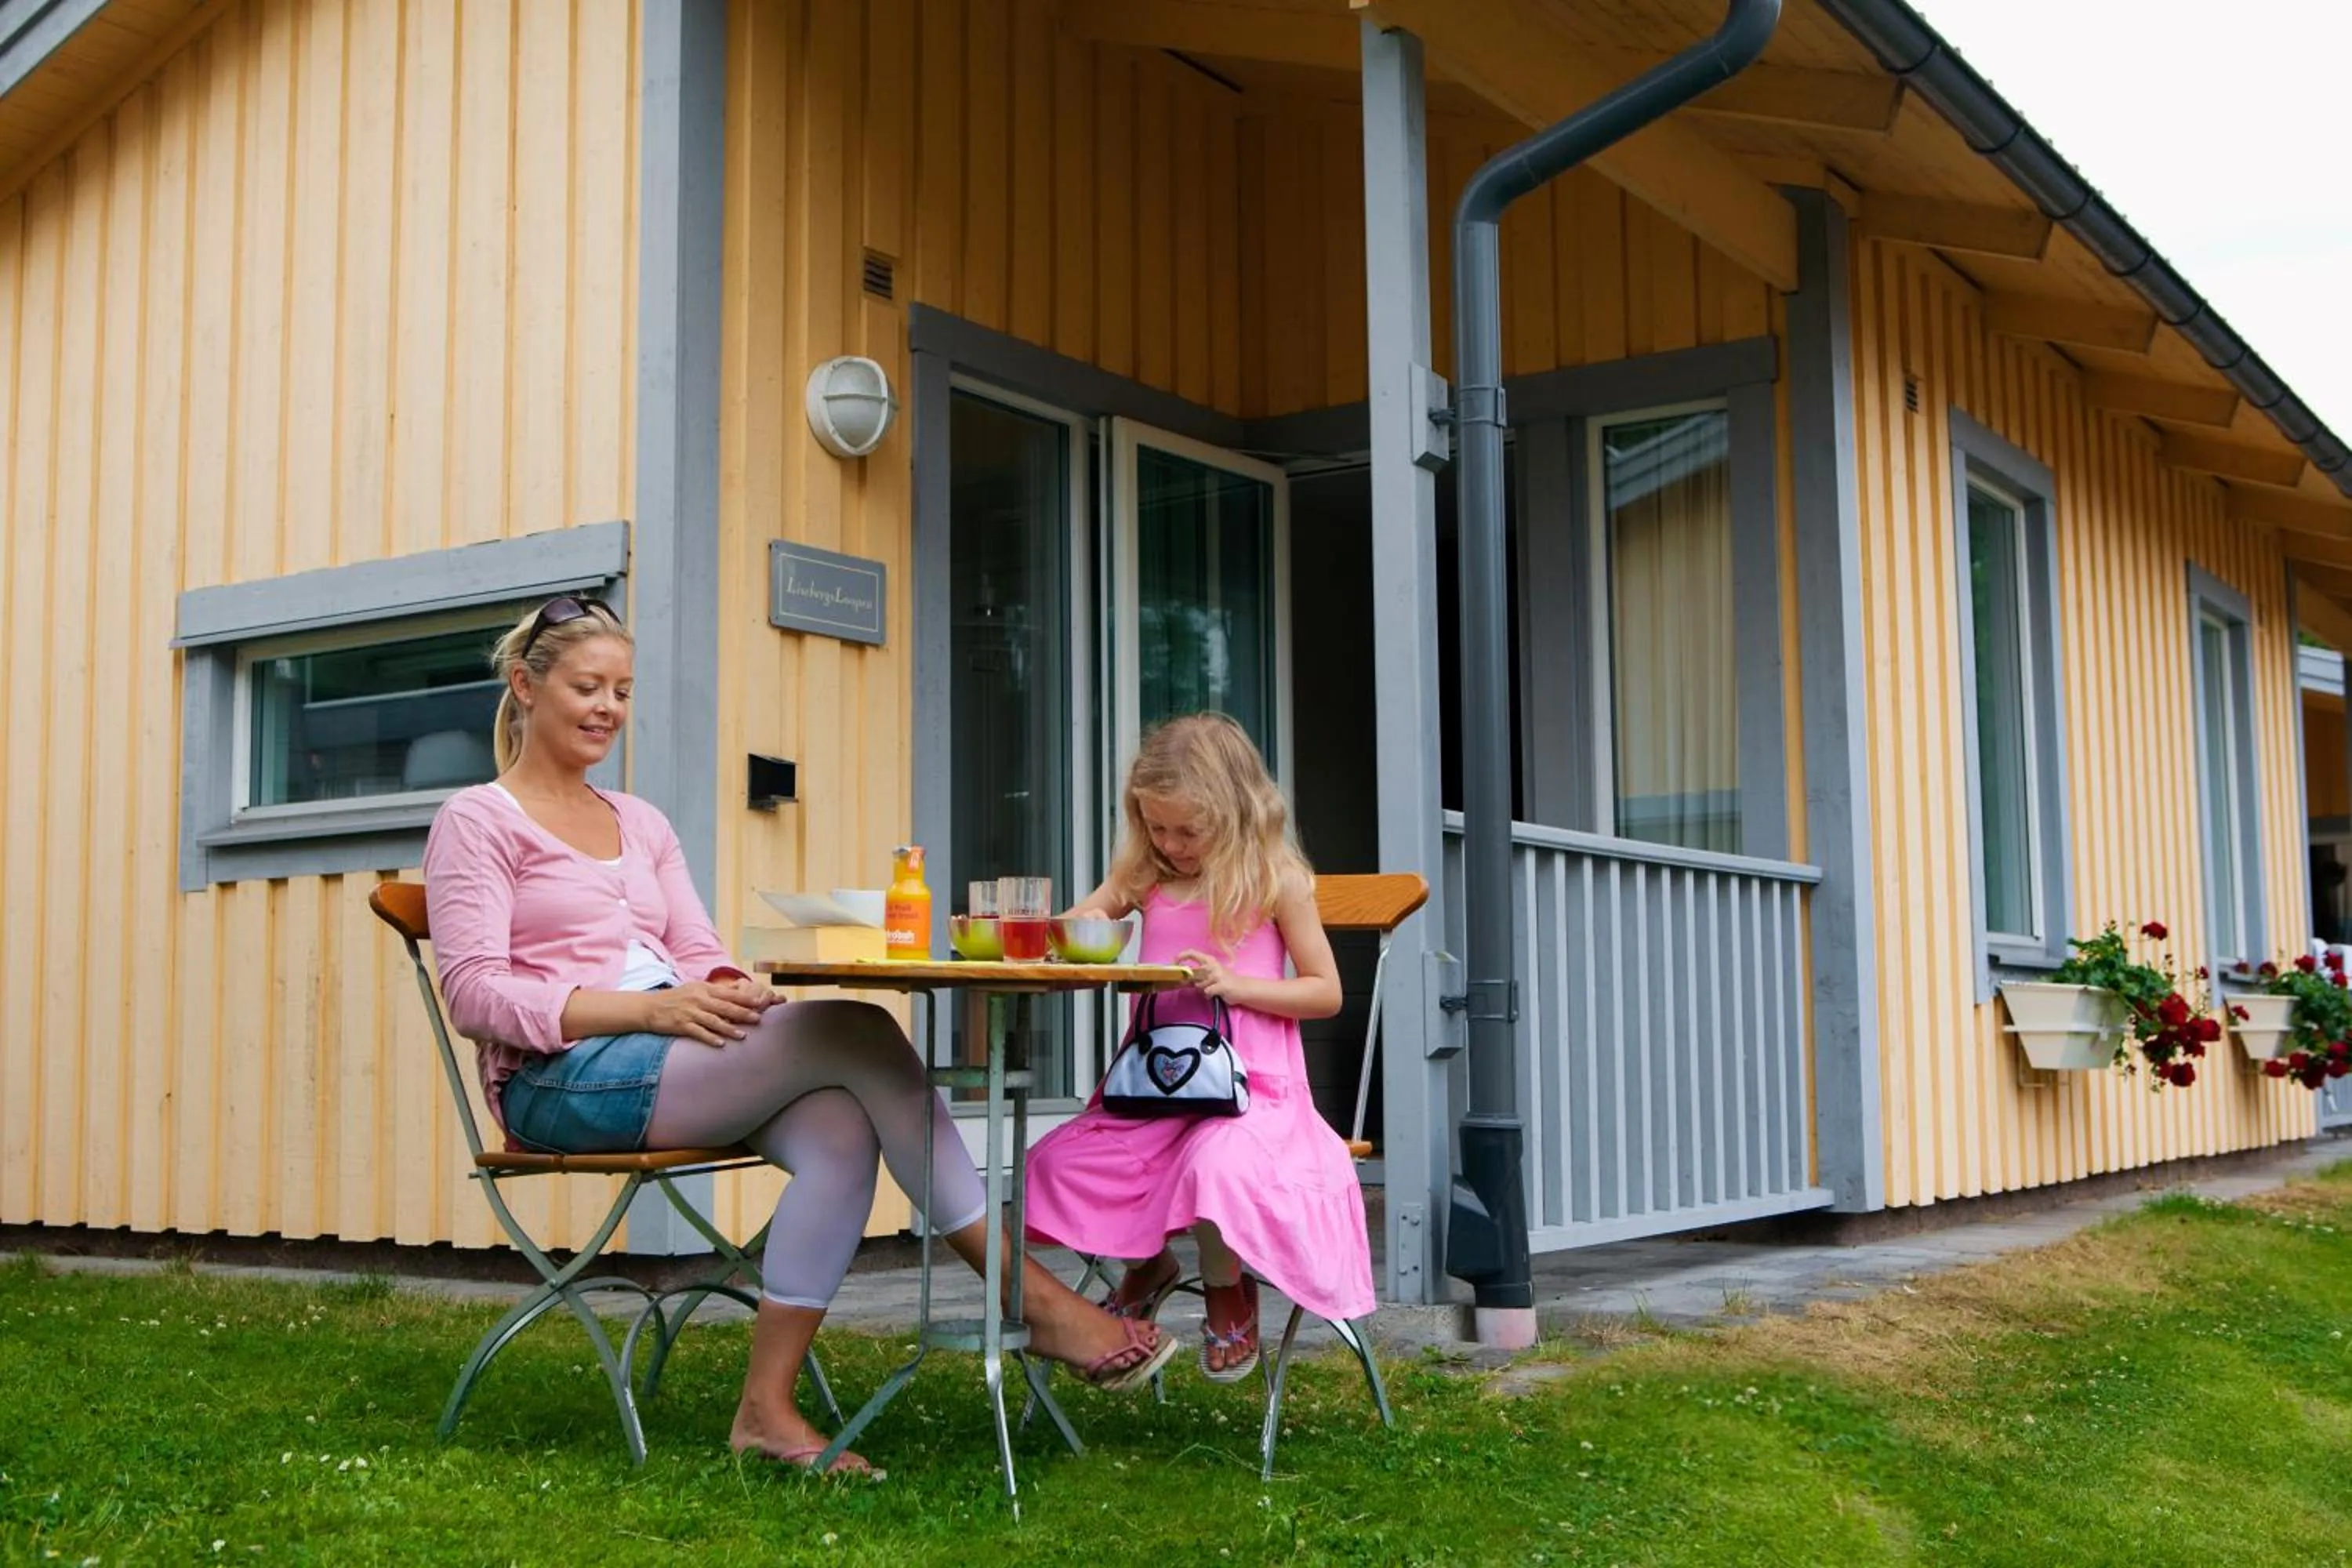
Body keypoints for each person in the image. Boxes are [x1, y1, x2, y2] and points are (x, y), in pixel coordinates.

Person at [422, 594, 1179, 1473]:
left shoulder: (641, 821)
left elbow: (695, 951)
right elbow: (476, 995)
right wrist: (649, 1009)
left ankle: (765, 1410)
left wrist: (732, 995)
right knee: (859, 1031)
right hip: (561, 1079)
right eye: (588, 687)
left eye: (623, 692)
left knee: (840, 1125)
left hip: (674, 1052)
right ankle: (1033, 1297)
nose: (607, 709)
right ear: (525, 684)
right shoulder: (478, 820)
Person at [1022, 713, 1375, 1381]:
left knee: (1215, 1163)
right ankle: (1149, 1263)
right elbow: (1080, 921)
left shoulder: (1276, 881)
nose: (1173, 844)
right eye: (1157, 827)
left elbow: (1325, 991)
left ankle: (1225, 1292)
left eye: (1189, 831)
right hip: (1152, 1097)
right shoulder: (1147, 877)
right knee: (1054, 1164)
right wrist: (1084, 923)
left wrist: (1237, 986)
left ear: (1238, 813)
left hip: (1254, 1100)